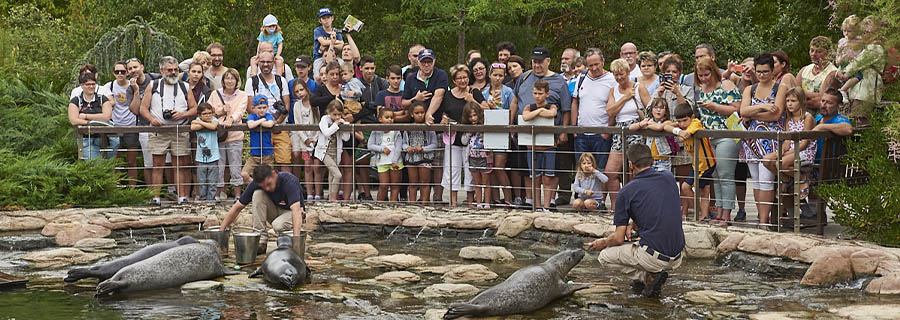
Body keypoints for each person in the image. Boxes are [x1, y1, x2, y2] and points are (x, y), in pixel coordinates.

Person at [588, 143, 685, 298]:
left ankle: (646, 277)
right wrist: (634, 224)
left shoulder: (626, 191)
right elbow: (659, 209)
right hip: (678, 255)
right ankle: (649, 276)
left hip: (654, 257)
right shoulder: (669, 177)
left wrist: (603, 242)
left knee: (604, 257)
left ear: (630, 164)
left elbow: (618, 238)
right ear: (652, 161)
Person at [510, 46, 573, 210]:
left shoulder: (559, 81)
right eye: (534, 61)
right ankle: (532, 203)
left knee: (550, 172)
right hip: (526, 136)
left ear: (548, 61)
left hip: (550, 137)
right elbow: (515, 101)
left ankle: (549, 202)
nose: (537, 65)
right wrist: (511, 125)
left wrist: (564, 131)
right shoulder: (523, 77)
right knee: (530, 172)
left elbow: (566, 109)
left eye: (540, 62)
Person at [140, 56, 198, 205]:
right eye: (169, 70)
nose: (173, 73)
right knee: (157, 165)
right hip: (159, 130)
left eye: (175, 70)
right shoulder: (153, 85)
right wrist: (152, 119)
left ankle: (182, 197)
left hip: (179, 130)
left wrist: (182, 114)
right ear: (162, 70)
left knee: (179, 165)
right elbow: (143, 108)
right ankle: (156, 197)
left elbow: (195, 108)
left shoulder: (185, 86)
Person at [740, 53, 787, 230]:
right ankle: (761, 217)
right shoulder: (749, 89)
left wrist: (752, 113)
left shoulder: (780, 88)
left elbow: (776, 114)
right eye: (759, 72)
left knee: (767, 178)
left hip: (772, 140)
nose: (762, 75)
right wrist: (762, 106)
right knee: (757, 180)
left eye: (765, 71)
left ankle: (764, 221)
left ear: (772, 70)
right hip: (752, 141)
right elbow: (743, 111)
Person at [694, 57, 741, 224]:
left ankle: (727, 214)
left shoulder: (726, 84)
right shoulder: (701, 88)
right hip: (709, 137)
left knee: (726, 174)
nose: (704, 78)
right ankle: (720, 211)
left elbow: (737, 109)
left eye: (706, 74)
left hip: (727, 134)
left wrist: (715, 107)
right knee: (716, 176)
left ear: (713, 71)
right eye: (700, 75)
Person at [220, 164, 306, 255]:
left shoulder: (289, 181)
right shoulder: (256, 184)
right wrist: (221, 231)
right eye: (264, 186)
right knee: (258, 194)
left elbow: (296, 210)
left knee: (278, 225)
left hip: (294, 213)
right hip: (276, 212)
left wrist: (297, 242)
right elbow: (237, 207)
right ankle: (260, 241)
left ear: (274, 174)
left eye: (269, 184)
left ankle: (289, 242)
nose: (267, 188)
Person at [403, 48, 449, 203]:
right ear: (419, 62)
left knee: (437, 164)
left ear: (434, 61)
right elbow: (403, 103)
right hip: (416, 131)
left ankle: (437, 197)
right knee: (416, 163)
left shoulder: (441, 74)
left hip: (435, 127)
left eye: (429, 61)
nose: (427, 64)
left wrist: (428, 114)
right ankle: (414, 201)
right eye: (424, 61)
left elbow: (439, 94)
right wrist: (415, 99)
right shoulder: (410, 79)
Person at [605, 58, 651, 212]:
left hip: (636, 129)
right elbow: (610, 111)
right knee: (610, 172)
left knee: (634, 170)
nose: (619, 78)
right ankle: (616, 206)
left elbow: (651, 109)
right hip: (620, 129)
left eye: (622, 75)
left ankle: (635, 206)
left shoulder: (639, 87)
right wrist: (625, 98)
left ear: (628, 72)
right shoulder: (613, 90)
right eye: (616, 75)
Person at [657, 103, 717, 220]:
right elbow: (665, 126)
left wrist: (680, 132)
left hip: (705, 164)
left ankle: (699, 211)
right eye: (679, 121)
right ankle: (704, 216)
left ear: (692, 117)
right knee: (704, 190)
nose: (682, 124)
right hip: (697, 164)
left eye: (685, 120)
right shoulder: (681, 126)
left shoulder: (696, 123)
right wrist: (677, 129)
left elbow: (686, 134)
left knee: (685, 187)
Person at [438, 64, 486, 206]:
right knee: (452, 169)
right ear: (454, 80)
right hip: (453, 138)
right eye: (459, 78)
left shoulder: (474, 92)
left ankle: (471, 201)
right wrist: (444, 119)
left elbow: (486, 108)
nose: (462, 80)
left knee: (470, 171)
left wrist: (471, 100)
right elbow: (445, 112)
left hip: (472, 140)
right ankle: (453, 202)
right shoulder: (448, 95)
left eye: (465, 77)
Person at [245, 52, 292, 174]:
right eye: (263, 62)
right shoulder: (252, 82)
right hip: (260, 129)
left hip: (279, 127)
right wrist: (264, 121)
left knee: (284, 161)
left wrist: (276, 122)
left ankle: (284, 190)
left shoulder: (281, 81)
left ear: (273, 63)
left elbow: (287, 104)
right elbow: (250, 107)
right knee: (261, 164)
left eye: (269, 62)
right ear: (258, 63)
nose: (266, 64)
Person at [762, 88, 816, 183]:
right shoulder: (789, 119)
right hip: (791, 151)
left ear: (802, 101)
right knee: (766, 160)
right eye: (787, 101)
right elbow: (787, 141)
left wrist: (786, 154)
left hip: (804, 152)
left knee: (780, 164)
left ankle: (802, 179)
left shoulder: (807, 117)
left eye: (793, 101)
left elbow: (804, 144)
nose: (790, 104)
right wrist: (782, 150)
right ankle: (786, 179)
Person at [522, 80, 559, 212]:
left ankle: (547, 206)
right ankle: (537, 206)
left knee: (547, 178)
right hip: (532, 148)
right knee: (535, 179)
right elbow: (525, 117)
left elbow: (552, 114)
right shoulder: (529, 107)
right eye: (535, 93)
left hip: (549, 147)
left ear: (547, 94)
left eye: (540, 93)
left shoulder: (552, 106)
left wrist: (541, 110)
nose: (537, 96)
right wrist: (539, 111)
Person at [838, 15, 885, 118]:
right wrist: (840, 71)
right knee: (852, 118)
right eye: (863, 32)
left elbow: (858, 62)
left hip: (867, 90)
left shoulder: (875, 48)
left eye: (867, 32)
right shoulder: (865, 47)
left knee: (859, 118)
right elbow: (847, 59)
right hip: (857, 89)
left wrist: (844, 73)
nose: (864, 35)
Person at [208, 68, 245, 200]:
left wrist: (231, 119)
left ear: (237, 81)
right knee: (219, 167)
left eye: (232, 78)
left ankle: (238, 196)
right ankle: (216, 195)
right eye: (227, 78)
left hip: (235, 136)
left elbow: (240, 111)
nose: (230, 81)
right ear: (223, 80)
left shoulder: (242, 95)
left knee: (235, 166)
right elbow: (209, 112)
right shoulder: (214, 94)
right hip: (218, 136)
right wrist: (221, 111)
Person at [124, 58, 162, 186]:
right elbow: (135, 110)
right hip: (144, 127)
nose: (133, 70)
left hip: (163, 125)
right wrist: (135, 91)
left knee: (167, 162)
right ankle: (151, 193)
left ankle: (170, 192)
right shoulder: (130, 89)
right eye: (130, 69)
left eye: (135, 67)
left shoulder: (155, 79)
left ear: (142, 67)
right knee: (149, 163)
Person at [482, 62, 515, 205]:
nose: (497, 78)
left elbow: (511, 110)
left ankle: (508, 198)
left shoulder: (508, 92)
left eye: (500, 76)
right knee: (491, 168)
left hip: (502, 132)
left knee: (499, 166)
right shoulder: (484, 93)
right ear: (489, 75)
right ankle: (495, 198)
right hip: (488, 132)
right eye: (495, 75)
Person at [103, 61, 139, 183]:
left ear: (127, 73)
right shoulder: (109, 86)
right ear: (113, 73)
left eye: (123, 71)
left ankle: (133, 190)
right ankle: (116, 188)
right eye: (117, 71)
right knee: (115, 161)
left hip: (131, 125)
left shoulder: (133, 85)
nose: (120, 74)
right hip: (115, 126)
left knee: (131, 161)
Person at [68, 73, 113, 161]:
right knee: (96, 164)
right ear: (81, 85)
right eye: (88, 84)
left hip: (105, 139)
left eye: (93, 84)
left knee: (109, 164)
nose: (91, 86)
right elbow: (73, 120)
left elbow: (107, 117)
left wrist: (85, 116)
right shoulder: (76, 101)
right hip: (85, 139)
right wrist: (90, 122)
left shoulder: (102, 99)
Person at [289, 79, 320, 200]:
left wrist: (315, 139)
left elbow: (319, 122)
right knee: (307, 166)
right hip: (304, 140)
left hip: (317, 139)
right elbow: (297, 124)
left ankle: (318, 193)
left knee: (317, 167)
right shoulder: (297, 105)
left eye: (301, 89)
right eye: (297, 91)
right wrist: (306, 139)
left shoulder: (314, 102)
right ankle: (310, 194)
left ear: (306, 88)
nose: (300, 93)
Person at [402, 101, 438, 204]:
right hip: (411, 158)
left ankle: (424, 203)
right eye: (417, 113)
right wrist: (407, 148)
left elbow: (434, 144)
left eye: (422, 112)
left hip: (425, 158)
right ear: (412, 114)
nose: (420, 115)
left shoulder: (429, 128)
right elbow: (403, 143)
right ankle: (412, 204)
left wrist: (423, 148)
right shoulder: (408, 128)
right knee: (412, 183)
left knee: (424, 182)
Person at [315, 100, 350, 201]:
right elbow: (326, 132)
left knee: (332, 176)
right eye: (334, 114)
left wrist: (345, 126)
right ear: (328, 112)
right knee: (337, 174)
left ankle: (330, 199)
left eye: (339, 114)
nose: (337, 117)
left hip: (336, 152)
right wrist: (336, 124)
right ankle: (333, 197)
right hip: (324, 152)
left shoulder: (339, 121)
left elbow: (346, 138)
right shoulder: (324, 119)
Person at [629, 98, 676, 173]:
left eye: (661, 108)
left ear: (666, 111)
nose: (658, 110)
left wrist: (647, 125)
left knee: (662, 180)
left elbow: (659, 127)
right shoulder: (648, 120)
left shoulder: (667, 122)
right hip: (650, 160)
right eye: (655, 107)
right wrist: (640, 124)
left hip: (663, 159)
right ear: (651, 110)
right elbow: (631, 127)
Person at [368, 108, 404, 202]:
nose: (390, 120)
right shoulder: (375, 131)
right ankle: (379, 205)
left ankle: (392, 205)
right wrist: (382, 149)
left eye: (392, 118)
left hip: (395, 162)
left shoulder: (396, 132)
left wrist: (394, 161)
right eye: (387, 117)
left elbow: (398, 147)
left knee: (395, 185)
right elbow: (370, 145)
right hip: (382, 161)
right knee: (383, 185)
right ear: (380, 119)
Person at [795, 36, 839, 111]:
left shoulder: (833, 72)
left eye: (819, 51)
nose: (813, 54)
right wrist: (816, 95)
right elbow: (794, 94)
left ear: (828, 53)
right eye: (812, 50)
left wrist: (802, 95)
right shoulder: (804, 70)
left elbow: (822, 100)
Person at [241, 95, 276, 184]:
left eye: (264, 107)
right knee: (244, 174)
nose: (262, 110)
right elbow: (250, 125)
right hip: (254, 155)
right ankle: (257, 186)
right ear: (253, 108)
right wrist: (261, 121)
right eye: (259, 108)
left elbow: (270, 124)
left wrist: (259, 122)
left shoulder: (268, 115)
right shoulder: (252, 116)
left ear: (267, 107)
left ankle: (262, 189)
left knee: (268, 178)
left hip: (267, 154)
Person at [463, 102, 492, 208]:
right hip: (472, 157)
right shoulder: (467, 128)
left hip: (485, 157)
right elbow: (463, 141)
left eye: (475, 115)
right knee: (477, 182)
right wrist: (470, 131)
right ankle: (479, 203)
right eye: (470, 116)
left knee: (486, 182)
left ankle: (487, 203)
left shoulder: (485, 125)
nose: (473, 118)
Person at [190, 102, 219, 201]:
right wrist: (205, 124)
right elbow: (193, 127)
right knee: (201, 181)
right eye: (205, 114)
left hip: (213, 157)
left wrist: (201, 123)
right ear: (199, 115)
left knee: (212, 181)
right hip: (200, 158)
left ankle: (211, 200)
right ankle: (203, 199)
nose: (208, 115)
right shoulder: (196, 120)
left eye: (210, 113)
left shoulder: (214, 120)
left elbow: (213, 127)